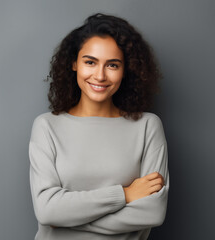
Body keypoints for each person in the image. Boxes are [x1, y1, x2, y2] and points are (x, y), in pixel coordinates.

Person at [28, 13, 169, 240]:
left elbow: (152, 212)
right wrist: (124, 195)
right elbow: (47, 210)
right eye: (90, 62)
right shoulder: (47, 127)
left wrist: (65, 222)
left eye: (112, 65)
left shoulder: (147, 127)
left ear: (126, 70)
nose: (100, 75)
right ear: (74, 63)